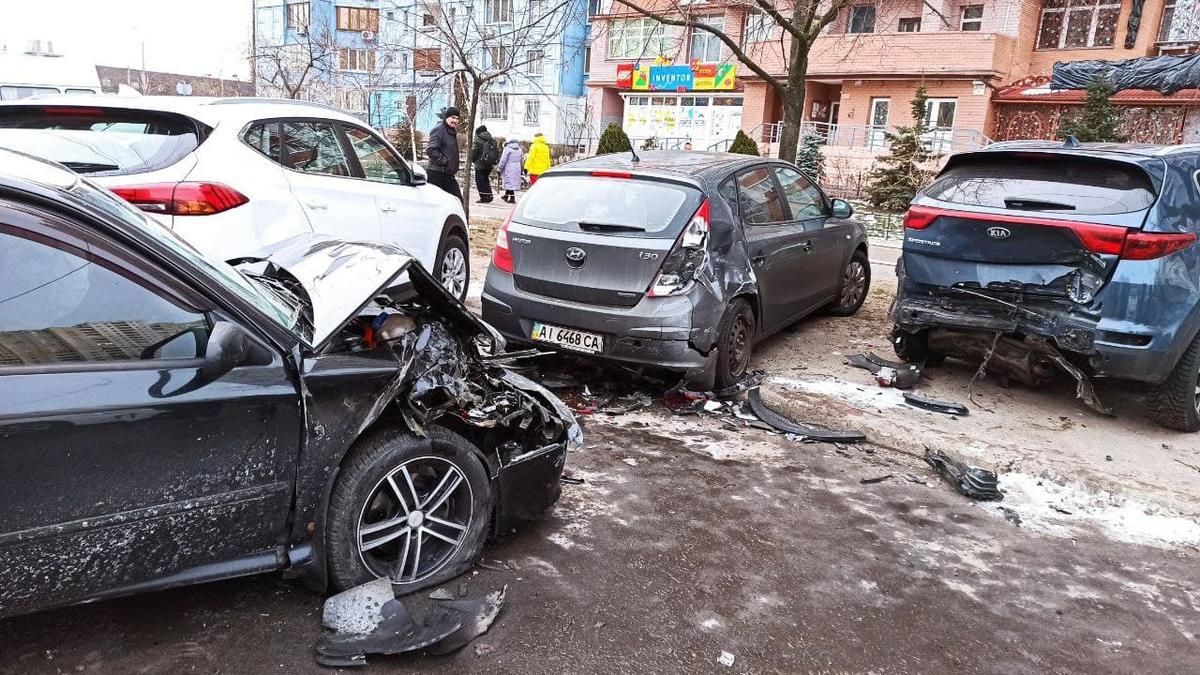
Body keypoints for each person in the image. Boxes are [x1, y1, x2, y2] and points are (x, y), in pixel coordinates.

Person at [425, 107, 462, 201]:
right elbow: (431, 149)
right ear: (446, 117)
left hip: (447, 175)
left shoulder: (451, 131)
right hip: (437, 174)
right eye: (453, 117)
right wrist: (444, 162)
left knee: (457, 201)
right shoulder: (439, 130)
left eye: (457, 118)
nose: (455, 121)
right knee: (438, 202)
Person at [470, 125, 499, 204]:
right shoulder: (492, 140)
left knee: (480, 181)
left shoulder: (478, 140)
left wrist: (472, 160)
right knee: (485, 180)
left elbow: (474, 152)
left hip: (480, 164)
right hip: (489, 164)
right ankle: (489, 195)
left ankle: (484, 197)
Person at [497, 138, 524, 204]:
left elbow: (503, 160)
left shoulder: (507, 149)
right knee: (511, 182)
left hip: (509, 167)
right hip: (517, 167)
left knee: (509, 182)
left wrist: (499, 168)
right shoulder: (519, 149)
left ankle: (512, 198)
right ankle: (506, 196)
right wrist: (521, 168)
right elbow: (522, 160)